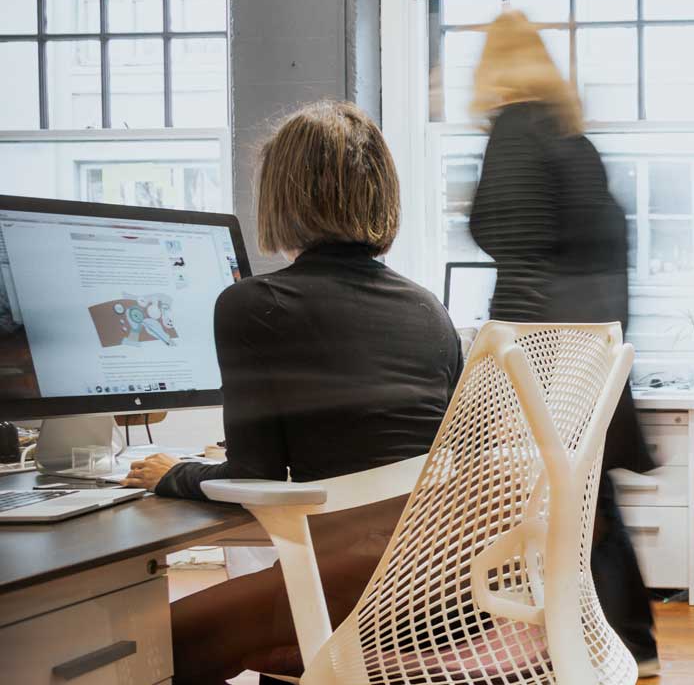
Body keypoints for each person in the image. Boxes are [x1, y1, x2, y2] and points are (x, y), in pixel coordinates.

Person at [121, 101, 464, 684]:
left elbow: (252, 475)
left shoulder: (254, 305)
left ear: (280, 196)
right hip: (445, 587)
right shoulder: (428, 308)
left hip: (354, 598)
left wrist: (170, 472)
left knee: (138, 645)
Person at [465, 9, 660, 676]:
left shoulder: (515, 132)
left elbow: (518, 254)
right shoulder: (574, 142)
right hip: (589, 354)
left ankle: (580, 646)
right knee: (590, 503)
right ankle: (628, 642)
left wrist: (505, 373)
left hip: (544, 359)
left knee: (541, 507)